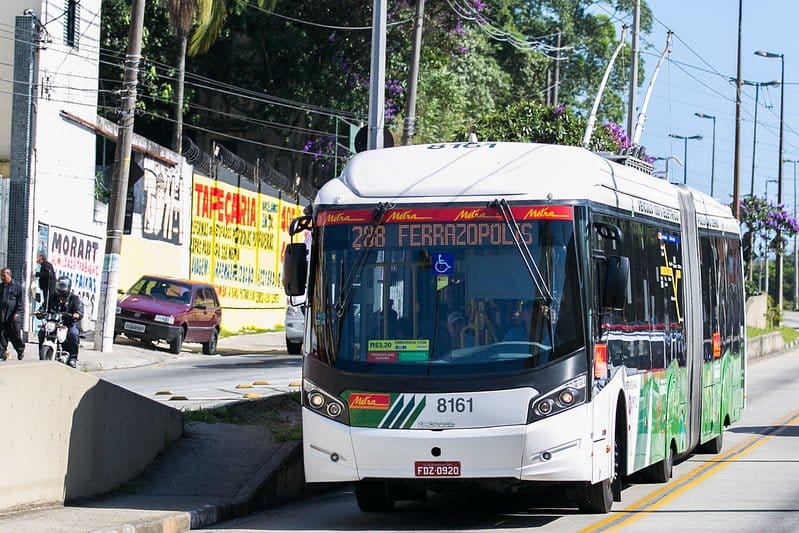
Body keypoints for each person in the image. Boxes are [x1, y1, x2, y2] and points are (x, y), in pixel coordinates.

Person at [38, 276, 83, 368]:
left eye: (63, 286)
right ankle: (42, 353)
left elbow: (79, 310)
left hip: (68, 323)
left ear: (69, 287)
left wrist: (77, 314)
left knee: (73, 334)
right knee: (42, 332)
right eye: (59, 286)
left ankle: (73, 358)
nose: (61, 288)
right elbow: (43, 308)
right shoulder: (52, 297)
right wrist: (39, 312)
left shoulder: (74, 298)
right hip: (54, 323)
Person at [0, 268, 26, 361]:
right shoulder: (1, 286)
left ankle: (20, 350)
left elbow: (20, 302)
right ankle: (2, 353)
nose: (2, 277)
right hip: (2, 315)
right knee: (2, 335)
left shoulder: (17, 286)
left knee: (15, 335)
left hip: (13, 316)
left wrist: (17, 313)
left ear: (9, 275)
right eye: (1, 275)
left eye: (3, 275)